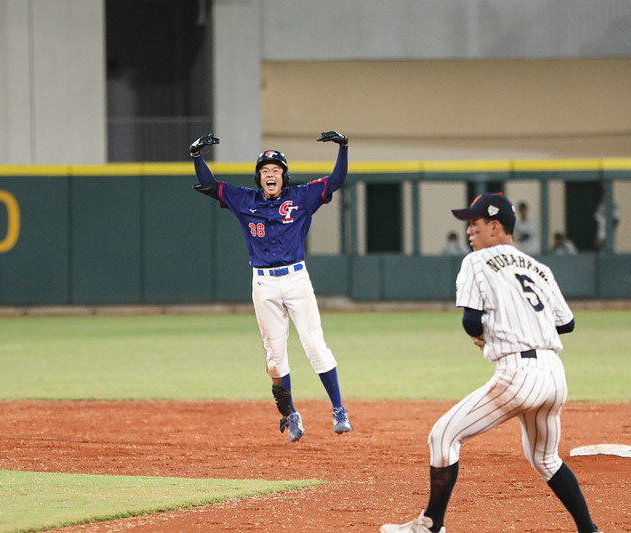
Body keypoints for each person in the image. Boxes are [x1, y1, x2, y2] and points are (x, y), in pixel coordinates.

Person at [381, 193, 601, 533]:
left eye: (475, 223)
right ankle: (590, 531)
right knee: (545, 459)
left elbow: (471, 320)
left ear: (495, 227)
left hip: (519, 375)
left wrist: (483, 335)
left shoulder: (476, 261)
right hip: (555, 376)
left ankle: (430, 526)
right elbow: (567, 323)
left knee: (442, 437)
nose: (470, 231)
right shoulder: (540, 268)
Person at [188, 130, 353, 443]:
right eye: (265, 171)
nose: (270, 174)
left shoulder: (301, 197)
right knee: (275, 359)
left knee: (315, 345)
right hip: (263, 284)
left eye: (276, 170)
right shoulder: (245, 201)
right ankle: (290, 416)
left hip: (296, 279)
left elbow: (336, 181)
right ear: (259, 179)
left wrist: (343, 148)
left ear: (284, 176)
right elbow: (210, 186)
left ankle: (339, 410)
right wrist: (197, 157)